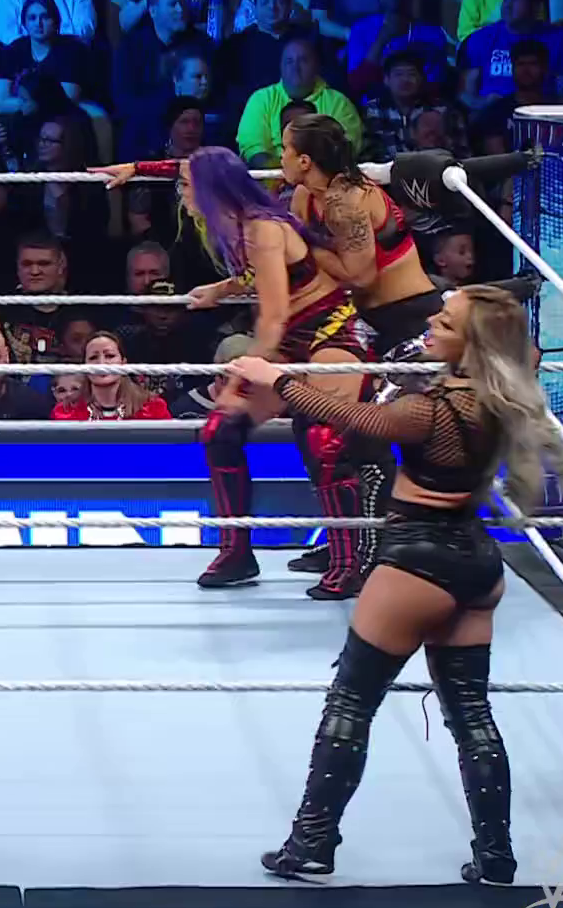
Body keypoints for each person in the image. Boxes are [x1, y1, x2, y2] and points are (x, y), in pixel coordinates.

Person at [226, 285, 563, 885]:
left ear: (471, 344)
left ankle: (312, 842)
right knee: (471, 715)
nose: (432, 324)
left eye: (446, 321)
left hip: (418, 560)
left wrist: (277, 379)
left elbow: (359, 418)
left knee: (351, 701)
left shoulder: (434, 410)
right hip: (476, 562)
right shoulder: (504, 395)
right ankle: (496, 855)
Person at [94, 148, 372, 590]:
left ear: (212, 190)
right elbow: (258, 276)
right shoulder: (236, 223)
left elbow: (273, 316)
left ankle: (348, 563)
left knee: (322, 439)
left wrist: (244, 374)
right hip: (289, 340)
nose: (182, 192)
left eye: (188, 187)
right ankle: (236, 553)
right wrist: (137, 167)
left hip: (330, 334)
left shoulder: (263, 228)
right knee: (219, 430)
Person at [278, 113, 441, 596]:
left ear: (305, 160)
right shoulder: (305, 195)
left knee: (362, 436)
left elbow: (361, 274)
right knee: (315, 425)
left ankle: (370, 552)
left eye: (285, 149)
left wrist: (301, 247)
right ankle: (344, 543)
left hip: (406, 321)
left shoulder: (348, 200)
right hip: (358, 322)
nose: (278, 157)